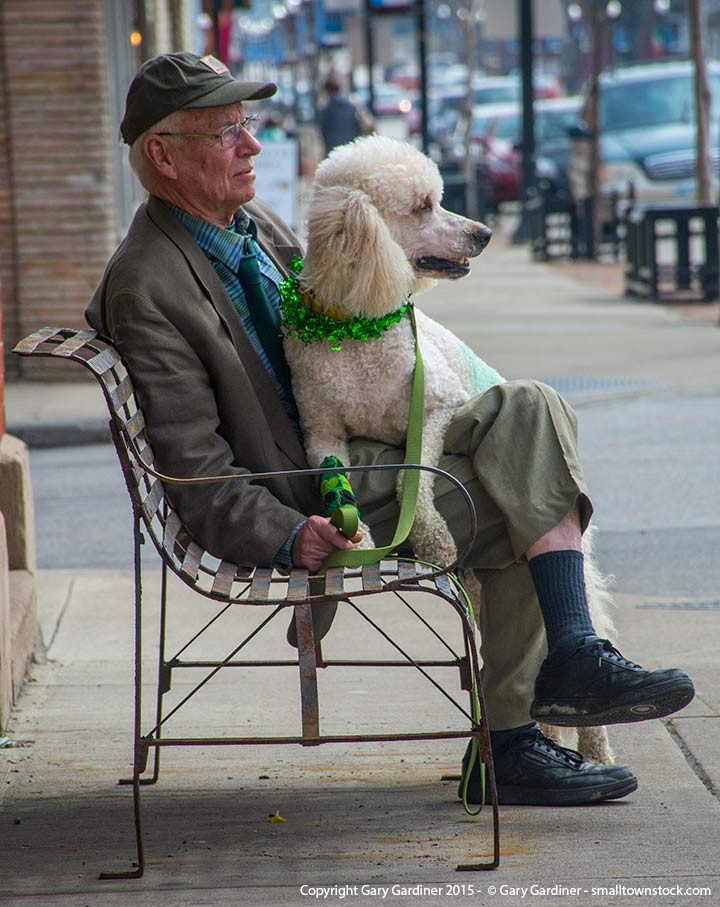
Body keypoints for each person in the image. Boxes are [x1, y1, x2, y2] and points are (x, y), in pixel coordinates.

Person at [86, 52, 695, 808]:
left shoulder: (249, 226)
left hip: (373, 435)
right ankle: (511, 740)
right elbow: (197, 467)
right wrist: (287, 535)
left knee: (534, 405)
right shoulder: (148, 285)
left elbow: (354, 304)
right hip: (312, 483)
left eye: (246, 125)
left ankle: (572, 652)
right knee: (520, 502)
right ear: (163, 155)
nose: (253, 147)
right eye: (226, 132)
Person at [318, 75, 373, 155]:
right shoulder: (350, 104)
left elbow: (325, 131)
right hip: (350, 144)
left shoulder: (328, 108)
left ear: (328, 91)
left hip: (334, 147)